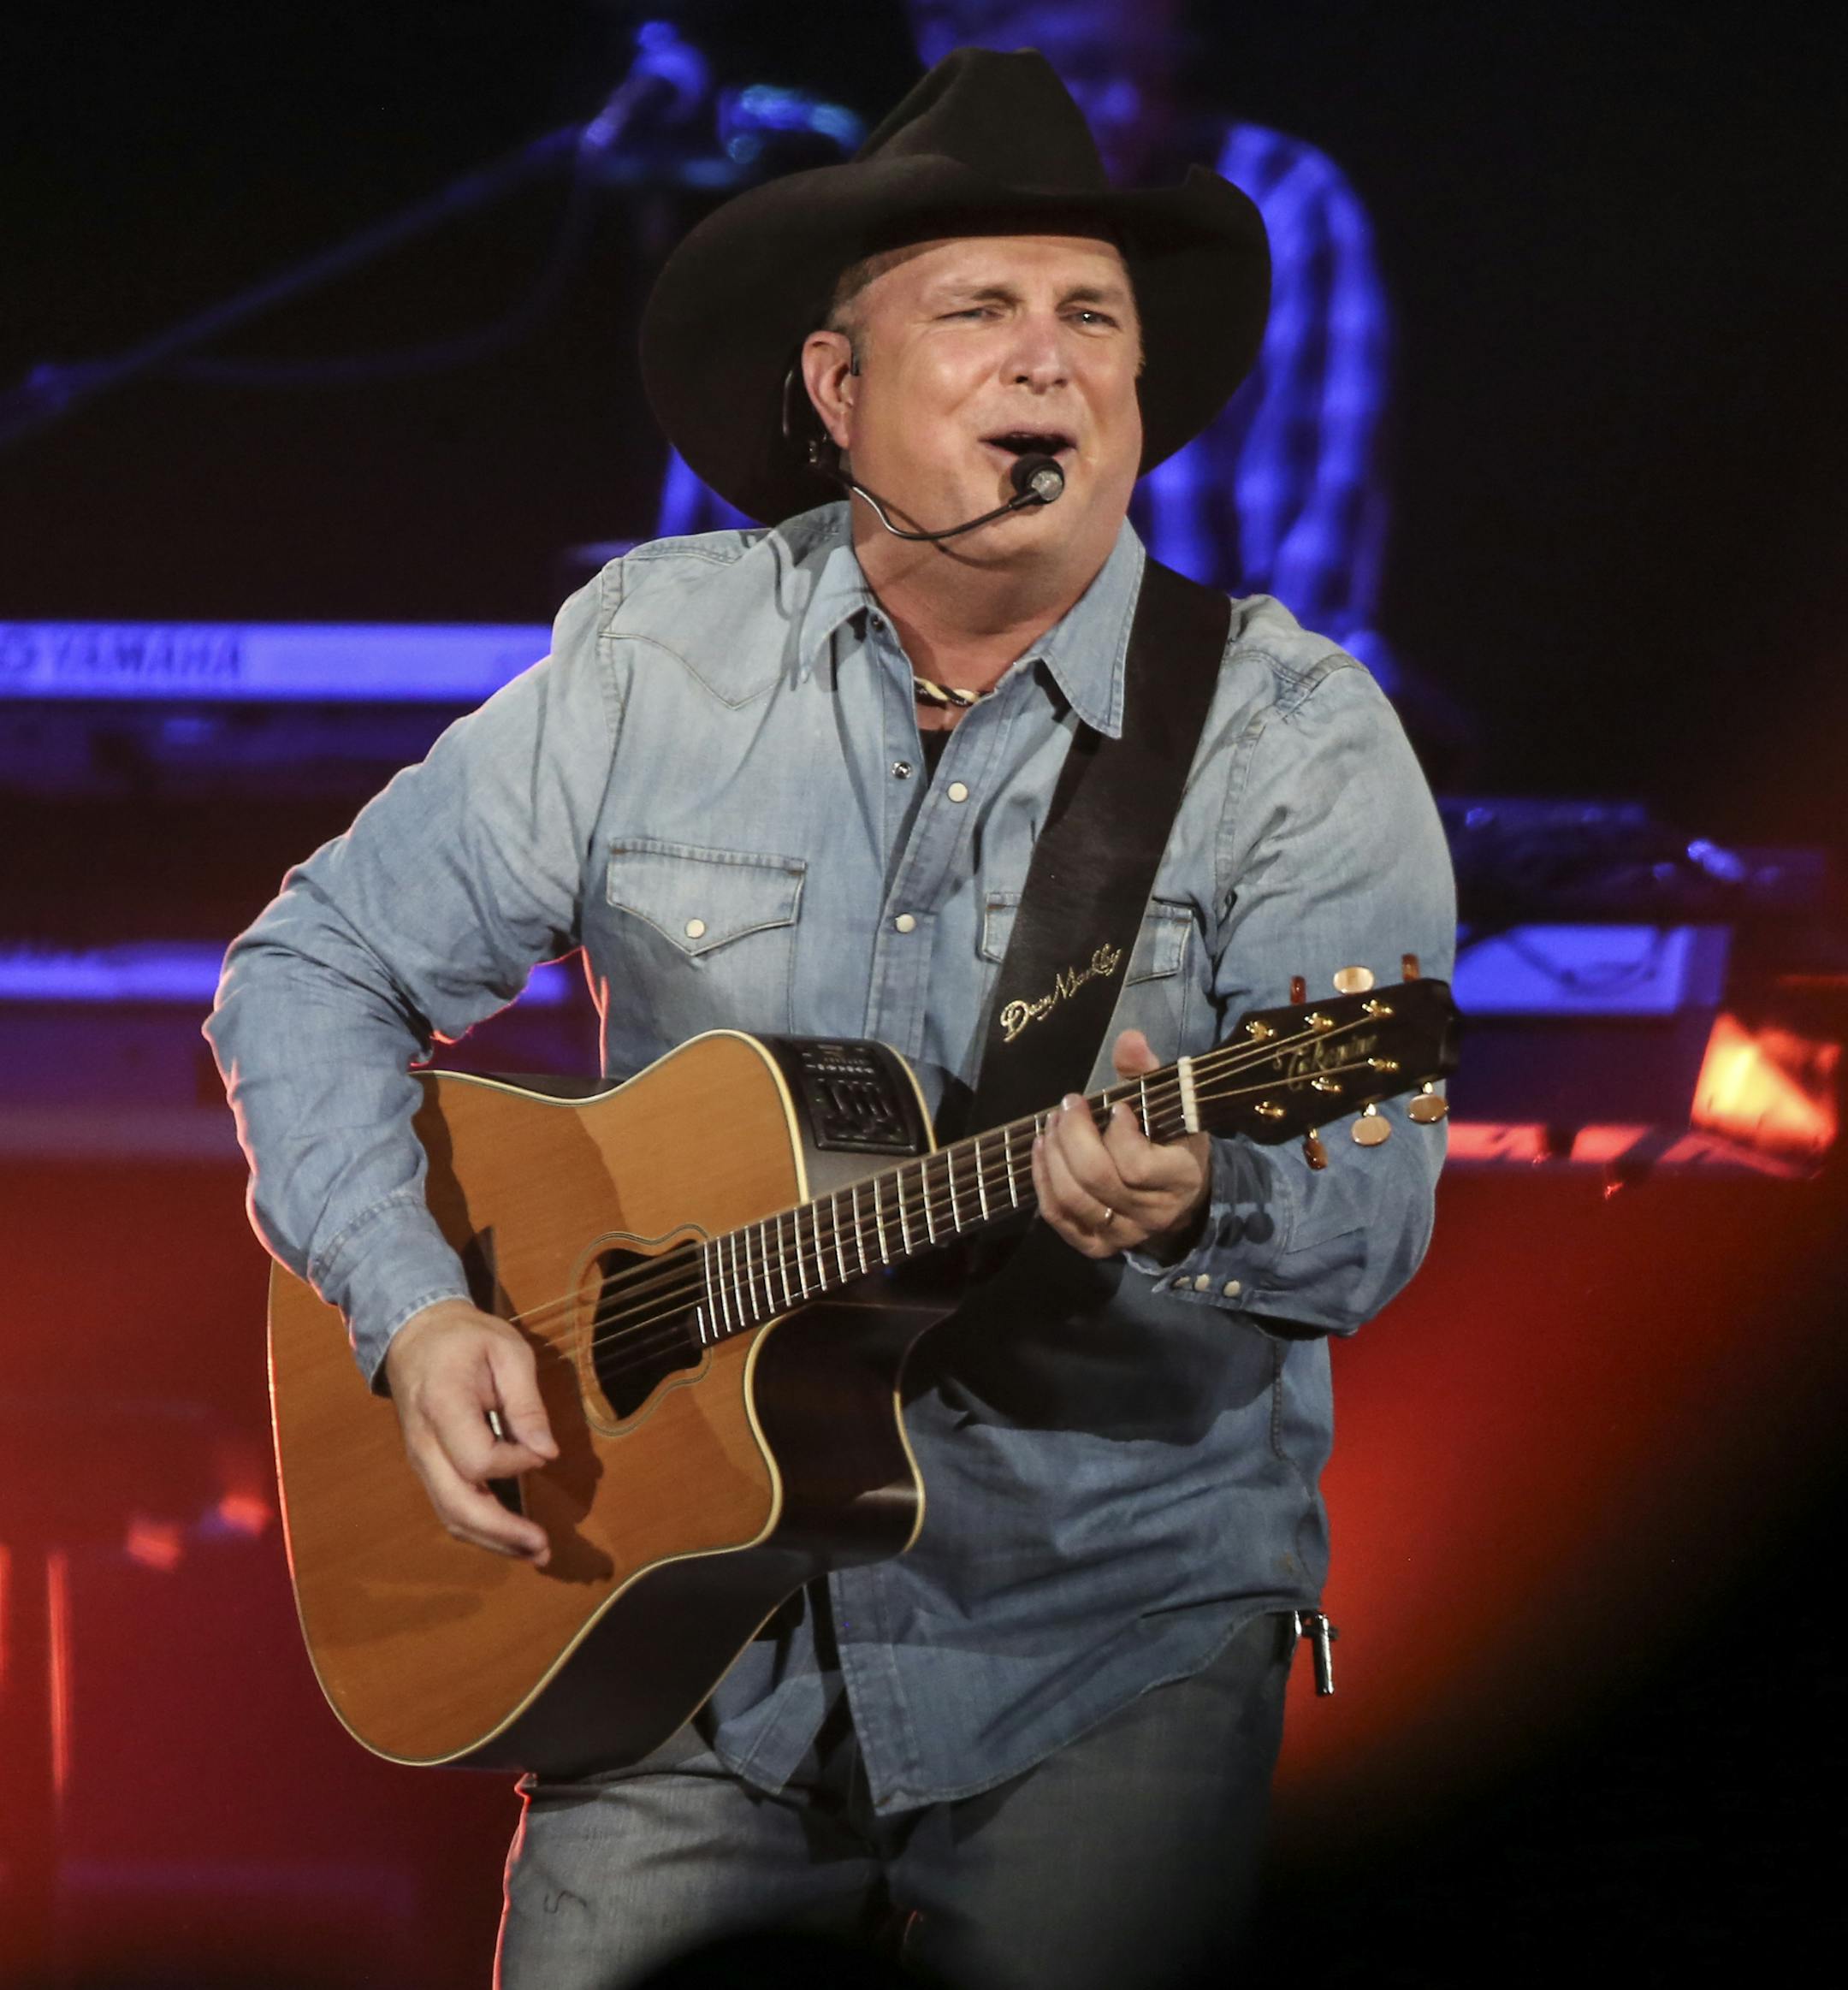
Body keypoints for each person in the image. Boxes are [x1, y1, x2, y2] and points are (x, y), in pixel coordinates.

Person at [206, 48, 1454, 1990]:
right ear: (834, 386)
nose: (1047, 359)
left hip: (1097, 1644)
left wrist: (1201, 1185)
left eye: (1091, 320)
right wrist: (421, 1304)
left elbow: (1367, 1204)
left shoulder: (1291, 739)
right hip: (667, 1638)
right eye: (981, 309)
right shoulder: (655, 654)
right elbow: (312, 969)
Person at [660, 0, 1398, 684]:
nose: (1129, 107)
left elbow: (1311, 580)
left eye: (1155, 70)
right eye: (1083, 67)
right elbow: (722, 586)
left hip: (1170, 723)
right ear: (949, 43)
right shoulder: (834, 247)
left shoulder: (1279, 199)